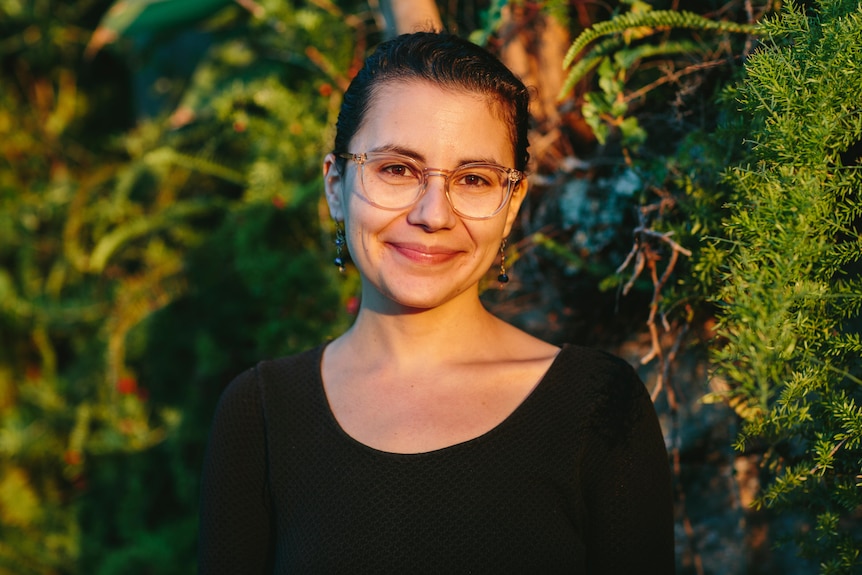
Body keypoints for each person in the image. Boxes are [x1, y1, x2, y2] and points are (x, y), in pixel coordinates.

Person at [197, 31, 674, 573]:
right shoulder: (260, 415)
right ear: (335, 185)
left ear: (512, 203)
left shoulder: (598, 406)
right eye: (397, 169)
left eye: (474, 179)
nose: (433, 214)